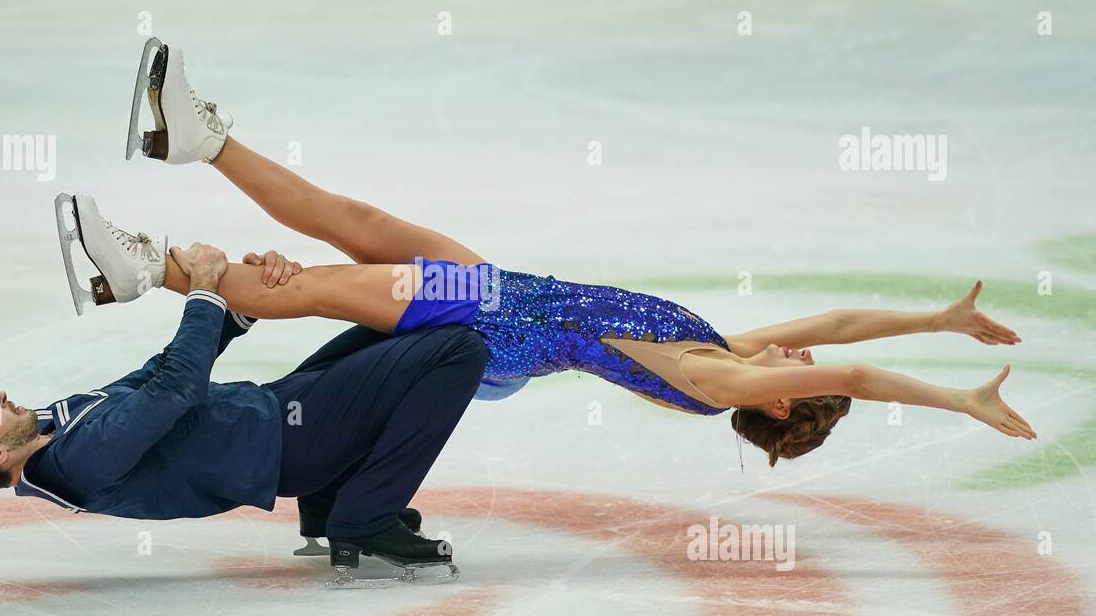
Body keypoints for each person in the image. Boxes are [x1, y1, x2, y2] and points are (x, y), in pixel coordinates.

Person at [80, 39, 1035, 468]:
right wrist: (938, 317)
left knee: (327, 281)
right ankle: (192, 139)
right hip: (509, 296)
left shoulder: (713, 385)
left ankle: (141, 268)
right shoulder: (722, 349)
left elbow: (856, 366)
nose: (798, 349)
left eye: (799, 369)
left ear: (780, 400)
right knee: (346, 220)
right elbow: (840, 324)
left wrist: (958, 396)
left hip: (496, 331)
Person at [0, 239, 489, 585]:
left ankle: (327, 504)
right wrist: (206, 292)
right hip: (292, 441)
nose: (0, 398)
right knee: (459, 349)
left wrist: (240, 306)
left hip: (276, 410)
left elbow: (158, 373)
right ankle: (363, 516)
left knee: (398, 320)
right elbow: (174, 393)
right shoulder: (76, 464)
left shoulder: (57, 429)